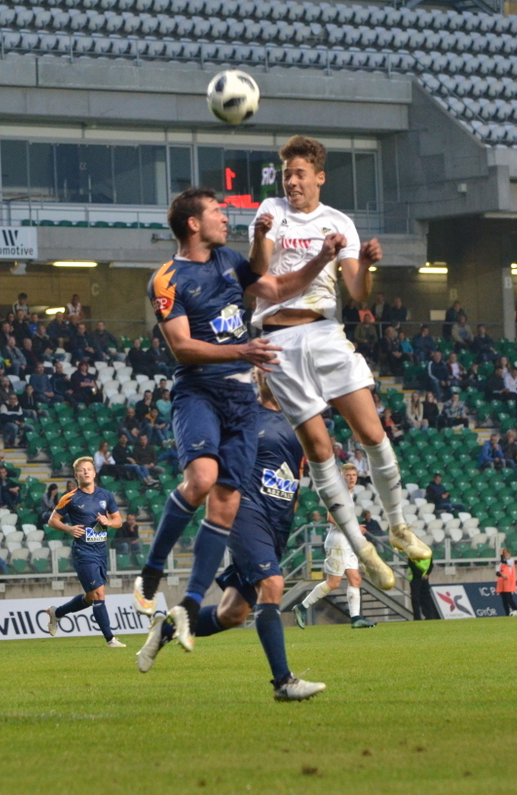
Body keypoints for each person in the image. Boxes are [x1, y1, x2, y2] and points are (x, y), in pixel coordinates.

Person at [133, 183, 357, 642]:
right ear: (193, 224)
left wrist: (321, 261)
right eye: (216, 211)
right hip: (199, 391)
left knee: (226, 501)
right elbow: (181, 347)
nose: (224, 217)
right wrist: (243, 350)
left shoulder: (231, 262)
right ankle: (152, 570)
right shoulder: (166, 279)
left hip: (240, 399)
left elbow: (275, 287)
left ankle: (189, 608)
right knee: (200, 480)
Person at [247, 135, 429, 593]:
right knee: (320, 450)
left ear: (318, 177)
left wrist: (366, 265)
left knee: (371, 432)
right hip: (278, 342)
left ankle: (398, 525)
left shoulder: (338, 222)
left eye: (299, 173)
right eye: (287, 173)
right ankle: (360, 548)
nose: (291, 181)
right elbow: (258, 276)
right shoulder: (269, 211)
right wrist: (259, 236)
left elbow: (358, 292)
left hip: (326, 333)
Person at [135, 370, 326, 701]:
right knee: (274, 584)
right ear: (256, 374)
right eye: (268, 368)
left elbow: (305, 469)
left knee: (232, 613)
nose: (276, 374)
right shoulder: (243, 412)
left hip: (277, 522)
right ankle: (284, 682)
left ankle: (164, 628)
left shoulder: (300, 420)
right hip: (244, 512)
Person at [44, 457, 128, 648]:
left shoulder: (106, 495)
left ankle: (57, 613)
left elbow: (118, 521)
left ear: (94, 473)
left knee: (90, 598)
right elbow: (52, 520)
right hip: (83, 552)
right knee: (99, 594)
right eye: (82, 470)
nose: (86, 472)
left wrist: (109, 523)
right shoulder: (70, 497)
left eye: (89, 469)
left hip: (100, 552)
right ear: (76, 475)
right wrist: (69, 529)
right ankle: (110, 639)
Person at [293, 463, 377, 629]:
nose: (352, 478)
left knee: (355, 579)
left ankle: (356, 618)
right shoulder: (338, 493)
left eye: (354, 475)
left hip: (348, 542)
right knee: (333, 583)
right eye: (348, 475)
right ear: (342, 477)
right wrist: (355, 528)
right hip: (338, 543)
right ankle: (301, 607)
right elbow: (331, 517)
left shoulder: (349, 494)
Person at [495, 547, 517, 616]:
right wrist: (501, 575)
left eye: (507, 554)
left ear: (509, 554)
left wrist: (500, 554)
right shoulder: (501, 564)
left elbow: (504, 562)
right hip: (501, 581)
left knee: (509, 597)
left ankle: (515, 609)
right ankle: (507, 613)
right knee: (504, 599)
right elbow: (497, 572)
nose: (506, 556)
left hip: (508, 581)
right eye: (504, 554)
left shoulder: (511, 561)